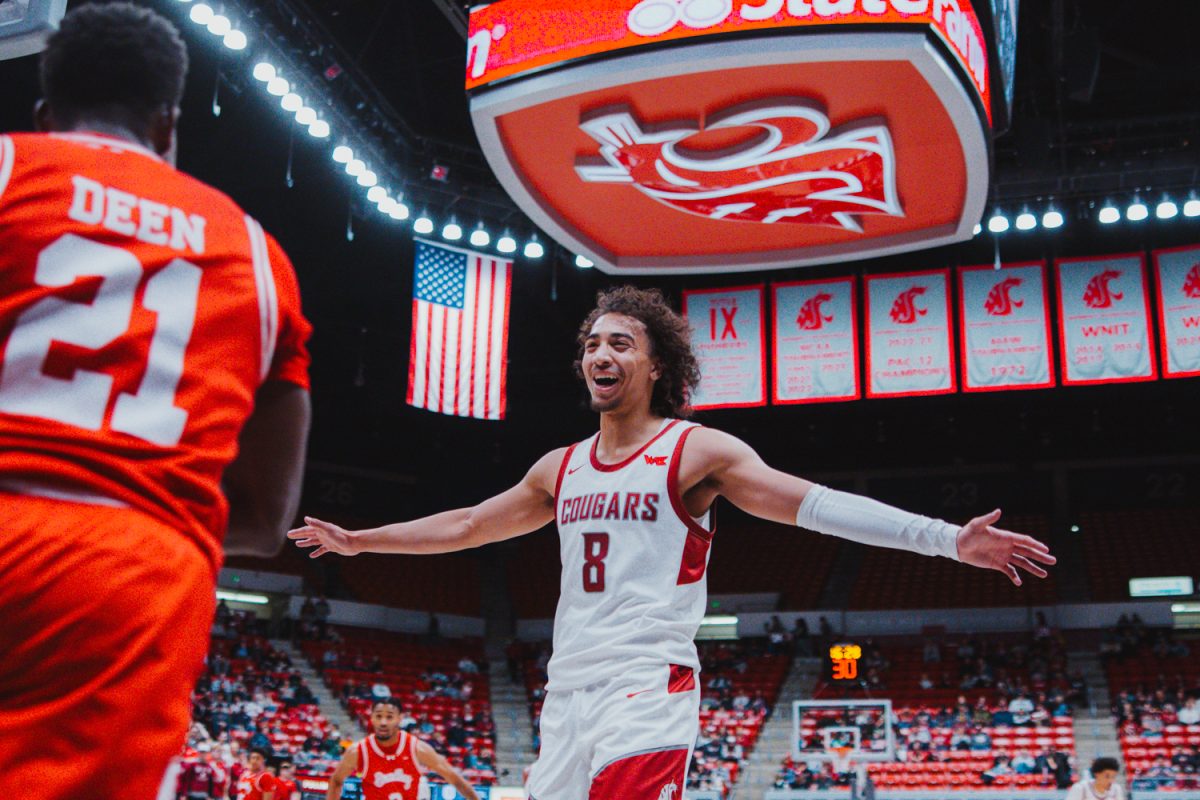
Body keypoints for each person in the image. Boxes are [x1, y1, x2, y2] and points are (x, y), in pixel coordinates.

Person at [291, 287, 1056, 799]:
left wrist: (947, 539)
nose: (601, 354)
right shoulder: (558, 468)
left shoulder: (696, 453)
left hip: (647, 684)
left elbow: (814, 506)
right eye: (593, 343)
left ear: (656, 366)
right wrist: (361, 541)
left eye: (620, 343)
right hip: (567, 691)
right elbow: (464, 525)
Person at [0, 5, 312, 799]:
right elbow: (267, 517)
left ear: (45, 113)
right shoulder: (255, 252)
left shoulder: (8, 167)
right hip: (135, 572)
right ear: (169, 125)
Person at [324, 700, 481, 800]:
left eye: (389, 717)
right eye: (378, 716)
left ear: (400, 718)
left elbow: (454, 778)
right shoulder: (358, 751)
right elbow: (336, 780)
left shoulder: (417, 748)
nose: (383, 722)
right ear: (371, 718)